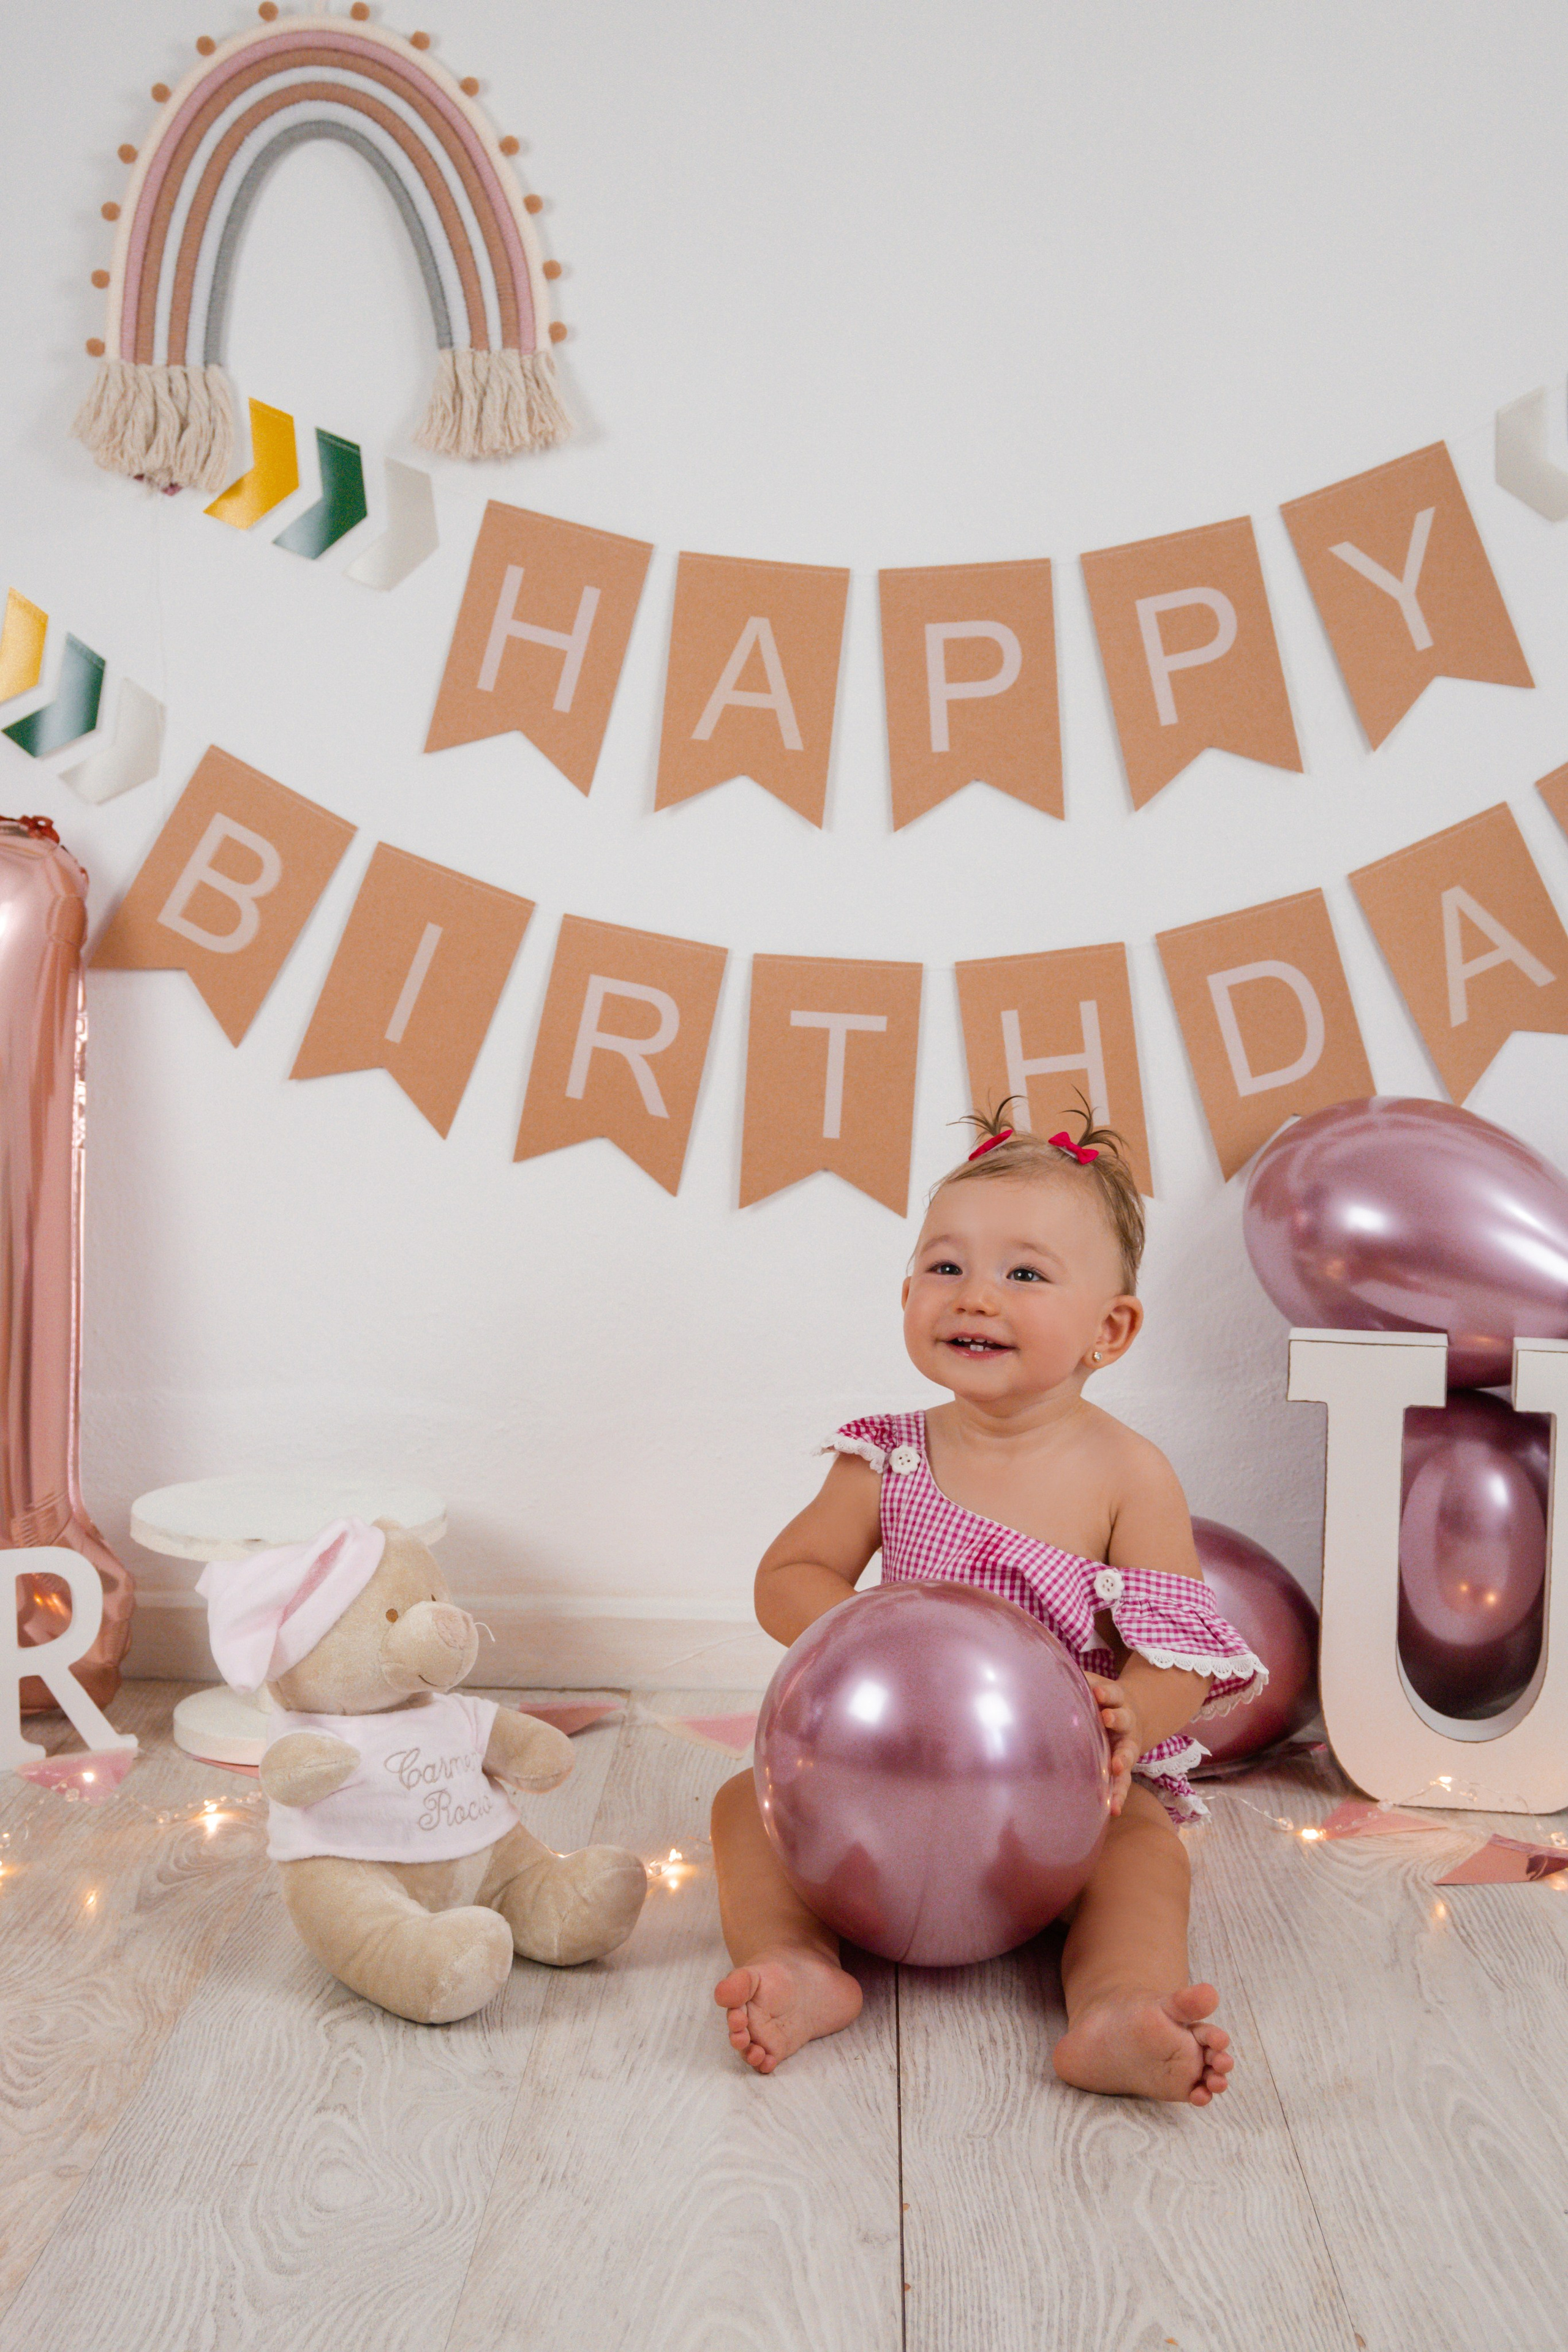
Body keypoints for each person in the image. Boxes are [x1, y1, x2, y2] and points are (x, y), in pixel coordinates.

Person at [712, 1104, 1266, 2104]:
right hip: (871, 1779)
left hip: (1061, 1801)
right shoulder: (887, 1454)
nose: (975, 1297)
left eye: (1024, 1274)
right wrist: (856, 1633)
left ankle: (1117, 2004)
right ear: (909, 1290)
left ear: (1112, 1329)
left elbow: (1179, 1647)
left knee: (1142, 1848)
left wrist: (1135, 1713)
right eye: (946, 1266)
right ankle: (797, 1961)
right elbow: (787, 1575)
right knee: (742, 1808)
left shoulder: (1128, 1475)